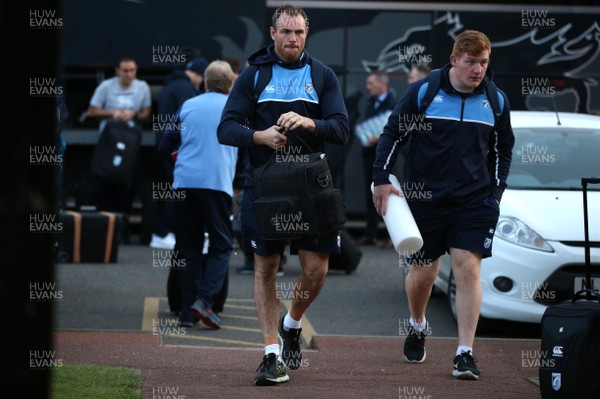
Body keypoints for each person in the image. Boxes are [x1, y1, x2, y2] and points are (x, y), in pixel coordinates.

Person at [217, 4, 349, 386]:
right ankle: (270, 355)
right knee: (266, 267)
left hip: (313, 188)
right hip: (266, 186)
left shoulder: (322, 75)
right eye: (286, 31)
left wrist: (309, 121)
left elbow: (341, 128)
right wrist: (258, 136)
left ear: (307, 33)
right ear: (272, 33)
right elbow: (225, 128)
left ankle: (292, 323)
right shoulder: (253, 75)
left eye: (299, 32)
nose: (293, 38)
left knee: (316, 269)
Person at [372, 30, 514, 380]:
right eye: (470, 62)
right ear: (454, 60)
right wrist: (381, 178)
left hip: (474, 202)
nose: (477, 70)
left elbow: (503, 150)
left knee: (468, 270)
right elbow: (393, 133)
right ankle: (418, 324)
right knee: (424, 274)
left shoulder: (495, 101)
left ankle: (464, 353)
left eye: (483, 63)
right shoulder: (425, 92)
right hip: (424, 200)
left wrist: (496, 193)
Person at [159, 60, 237, 328]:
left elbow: (165, 144)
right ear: (230, 83)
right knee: (223, 245)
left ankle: (185, 314)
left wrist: (178, 166)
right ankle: (204, 300)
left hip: (185, 182)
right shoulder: (235, 107)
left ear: (205, 82)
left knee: (187, 249)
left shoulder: (188, 105)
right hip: (216, 183)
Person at [149, 57, 208, 250]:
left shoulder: (172, 85)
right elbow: (191, 116)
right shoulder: (184, 89)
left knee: (177, 191)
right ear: (199, 74)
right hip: (176, 147)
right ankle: (163, 232)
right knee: (179, 192)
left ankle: (166, 231)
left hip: (166, 144)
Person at [86, 56, 152, 230]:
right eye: (125, 70)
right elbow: (91, 111)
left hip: (129, 145)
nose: (129, 74)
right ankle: (104, 223)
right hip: (108, 143)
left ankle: (124, 223)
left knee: (128, 182)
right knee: (105, 180)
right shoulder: (106, 86)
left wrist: (133, 114)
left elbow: (146, 113)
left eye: (132, 70)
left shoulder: (142, 87)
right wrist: (112, 113)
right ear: (117, 71)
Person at [357, 71, 396, 247]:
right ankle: (371, 232)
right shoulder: (369, 102)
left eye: (371, 83)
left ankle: (391, 235)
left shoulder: (395, 103)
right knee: (370, 193)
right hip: (369, 155)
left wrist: (381, 138)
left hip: (388, 156)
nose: (368, 87)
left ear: (382, 84)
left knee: (390, 194)